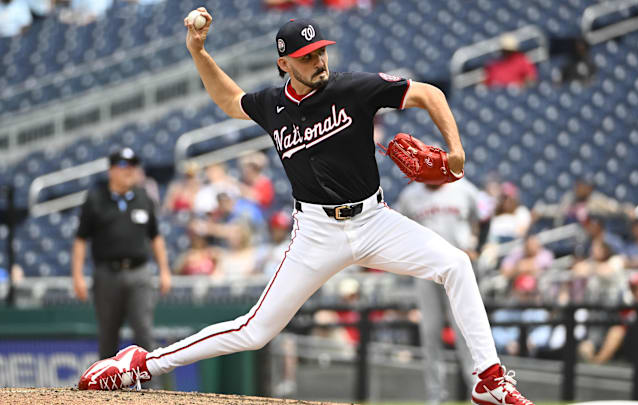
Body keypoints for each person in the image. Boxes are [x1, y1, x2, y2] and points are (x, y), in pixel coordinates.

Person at [78, 12, 535, 404]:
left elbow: (429, 93)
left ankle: (488, 381)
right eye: (306, 56)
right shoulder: (272, 105)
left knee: (456, 264)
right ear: (284, 63)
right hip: (316, 232)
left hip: (375, 220)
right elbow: (229, 100)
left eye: (320, 52)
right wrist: (198, 52)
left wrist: (455, 150)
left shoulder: (354, 88)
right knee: (255, 331)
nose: (318, 61)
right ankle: (142, 363)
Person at [71, 147, 172, 362]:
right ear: (111, 170)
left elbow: (156, 237)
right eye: (124, 165)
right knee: (108, 335)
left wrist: (165, 271)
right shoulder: (96, 199)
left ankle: (150, 390)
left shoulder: (144, 198)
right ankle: (105, 389)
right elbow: (80, 239)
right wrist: (78, 276)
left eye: (133, 166)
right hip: (107, 274)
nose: (130, 171)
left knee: (144, 332)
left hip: (139, 274)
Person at [394, 179, 489, 404]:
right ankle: (435, 397)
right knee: (430, 332)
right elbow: (397, 227)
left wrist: (479, 247)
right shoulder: (410, 195)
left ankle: (478, 392)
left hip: (459, 272)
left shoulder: (464, 188)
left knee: (466, 333)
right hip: (426, 272)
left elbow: (485, 216)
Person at [578, 272, 638, 364]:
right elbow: (621, 319)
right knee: (612, 330)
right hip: (629, 342)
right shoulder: (631, 305)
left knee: (618, 331)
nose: (635, 291)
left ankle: (598, 361)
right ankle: (596, 357)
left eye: (637, 287)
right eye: (632, 288)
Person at [533, 178, 635, 227]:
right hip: (569, 234)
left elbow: (614, 207)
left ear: (589, 189)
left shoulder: (596, 200)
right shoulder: (570, 198)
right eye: (578, 186)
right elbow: (558, 210)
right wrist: (541, 211)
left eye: (582, 187)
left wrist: (627, 209)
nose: (578, 189)